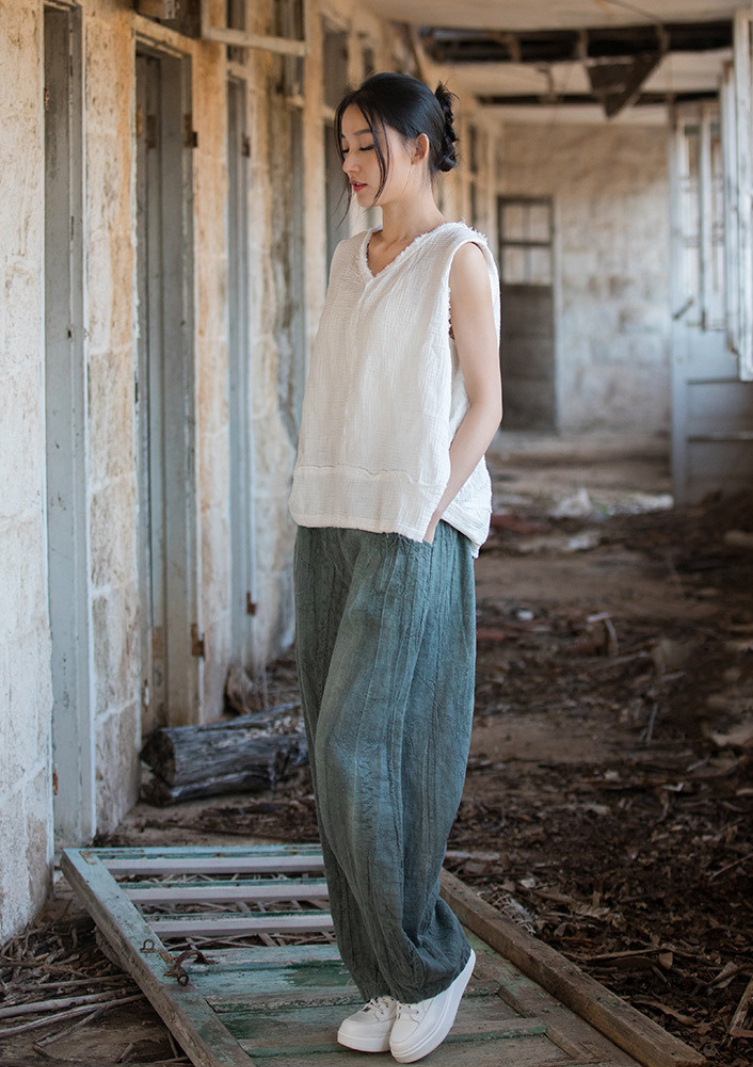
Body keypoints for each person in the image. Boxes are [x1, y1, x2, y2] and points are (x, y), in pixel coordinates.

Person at [288, 71, 502, 1063]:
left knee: (371, 753)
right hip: (329, 518)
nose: (351, 163)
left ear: (418, 147)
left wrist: (426, 503)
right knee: (331, 763)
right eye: (343, 146)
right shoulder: (348, 256)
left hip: (413, 525)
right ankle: (378, 969)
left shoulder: (458, 256)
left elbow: (485, 403)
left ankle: (430, 963)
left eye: (366, 145)